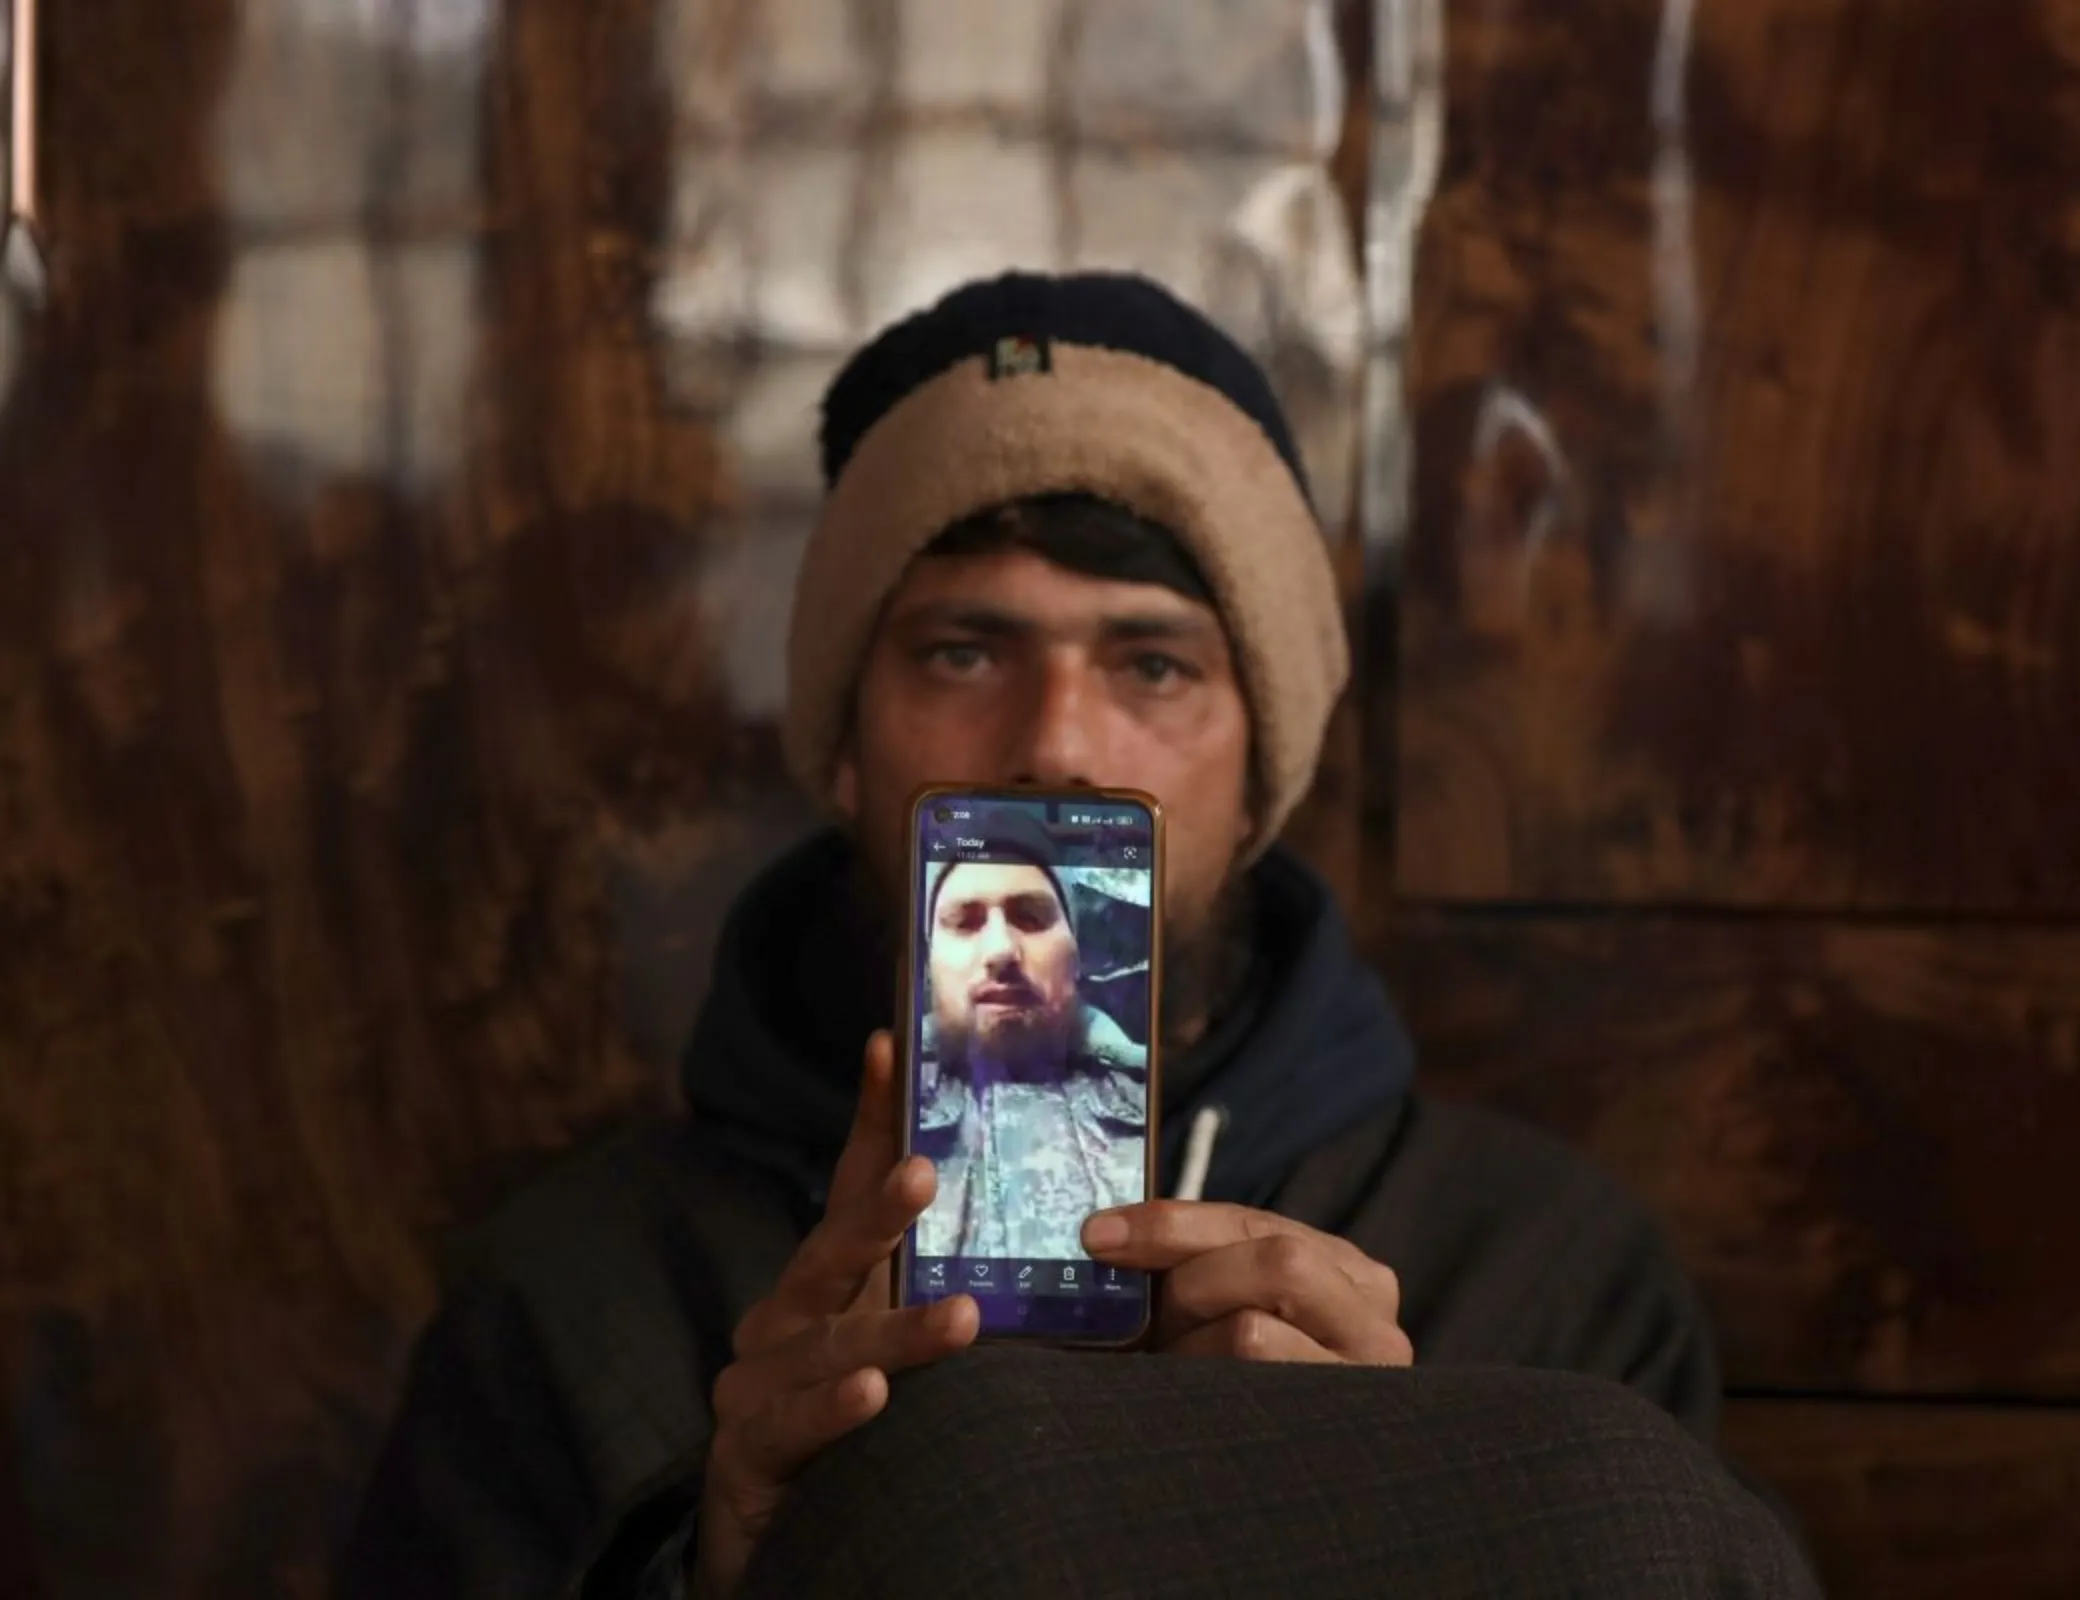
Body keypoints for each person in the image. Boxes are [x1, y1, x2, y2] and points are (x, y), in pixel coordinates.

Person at [336, 271, 1815, 1598]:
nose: (1055, 745)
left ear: (1263, 778)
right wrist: (714, 1567)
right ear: (843, 745)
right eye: (964, 650)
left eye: (1154, 663)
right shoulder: (572, 1290)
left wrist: (1409, 1514)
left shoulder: (1548, 1262)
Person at [914, 847, 1147, 1260]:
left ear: (1076, 956)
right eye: (964, 922)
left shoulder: (1159, 1105)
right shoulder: (880, 1116)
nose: (1002, 950)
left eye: (1031, 917)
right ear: (929, 965)